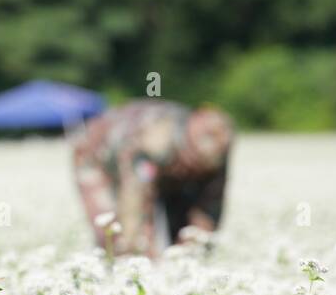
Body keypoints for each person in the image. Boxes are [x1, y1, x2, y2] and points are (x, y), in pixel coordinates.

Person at [72, 100, 233, 257]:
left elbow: (209, 209)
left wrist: (190, 255)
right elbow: (134, 204)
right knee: (113, 231)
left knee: (184, 233)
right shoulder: (154, 142)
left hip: (163, 165)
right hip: (97, 156)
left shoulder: (219, 149)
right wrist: (142, 258)